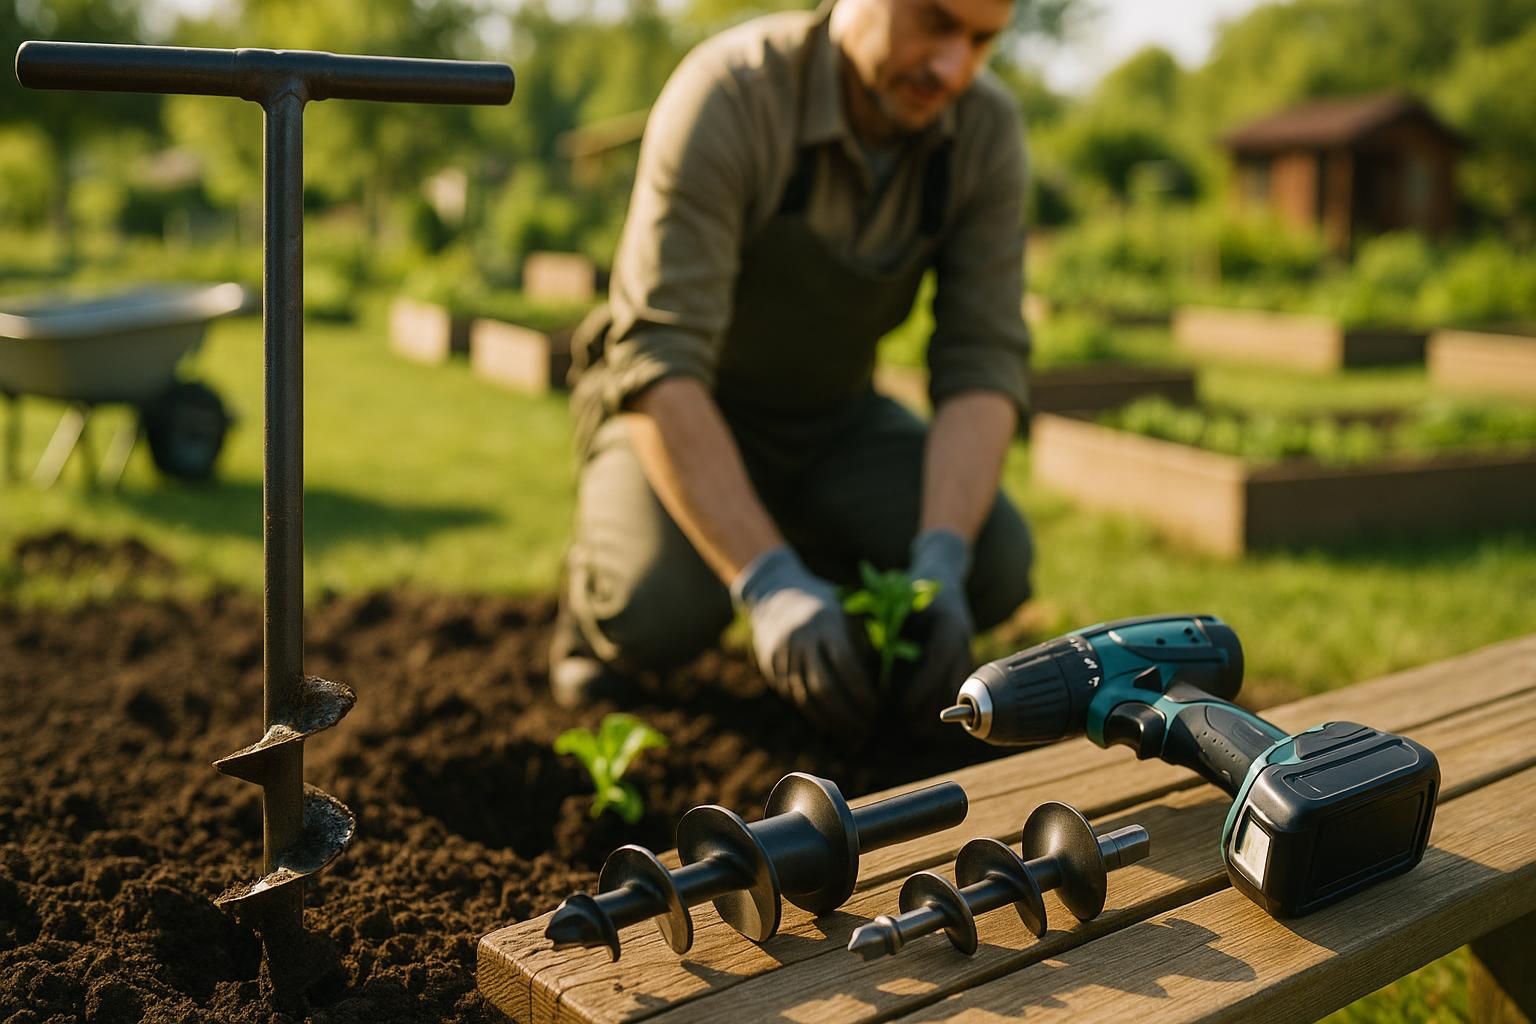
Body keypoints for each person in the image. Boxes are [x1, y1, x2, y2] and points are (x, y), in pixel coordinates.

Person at [552, 0, 1035, 736]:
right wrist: (769, 583)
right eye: (936, 22)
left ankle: (814, 581)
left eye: (981, 39)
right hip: (681, 408)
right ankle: (593, 616)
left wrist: (939, 559)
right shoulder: (731, 94)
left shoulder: (984, 130)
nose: (953, 68)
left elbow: (982, 362)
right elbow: (659, 360)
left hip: (836, 419)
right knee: (656, 608)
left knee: (992, 562)